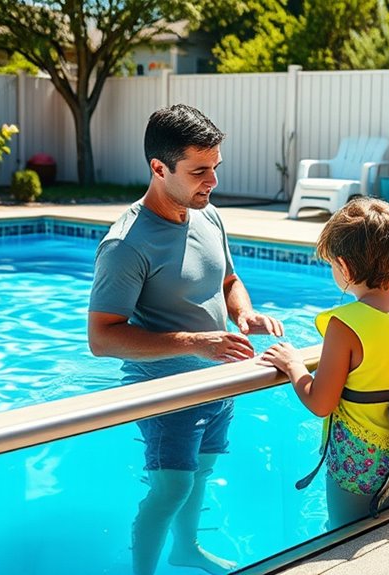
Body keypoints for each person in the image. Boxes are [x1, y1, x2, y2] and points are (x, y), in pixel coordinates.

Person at [87, 104, 284, 575]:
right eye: (199, 171)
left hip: (217, 382)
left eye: (215, 167)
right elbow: (102, 338)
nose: (212, 181)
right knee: (171, 487)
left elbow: (229, 280)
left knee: (201, 475)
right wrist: (197, 342)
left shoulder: (207, 215)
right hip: (164, 393)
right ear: (159, 168)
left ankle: (186, 550)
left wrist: (244, 313)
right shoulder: (125, 246)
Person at [258, 198, 389, 527]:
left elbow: (321, 402)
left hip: (361, 459)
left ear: (344, 267)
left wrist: (293, 365)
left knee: (345, 539)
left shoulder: (346, 325)